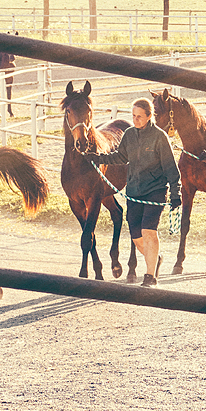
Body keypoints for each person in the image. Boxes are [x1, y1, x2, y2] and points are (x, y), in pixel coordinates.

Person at [86, 98, 181, 286]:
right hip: (134, 191)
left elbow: (171, 167)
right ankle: (155, 259)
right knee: (137, 237)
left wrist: (176, 194)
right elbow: (121, 156)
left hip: (155, 190)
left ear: (149, 116)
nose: (135, 119)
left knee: (148, 231)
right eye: (133, 116)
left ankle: (150, 277)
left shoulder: (159, 136)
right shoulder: (129, 134)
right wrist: (99, 159)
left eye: (139, 116)